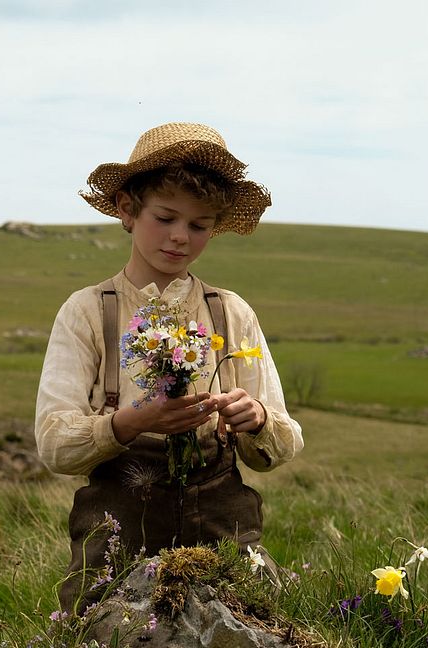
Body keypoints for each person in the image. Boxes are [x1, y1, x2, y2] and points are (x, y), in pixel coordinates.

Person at [34, 122, 304, 614]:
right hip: (118, 529)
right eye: (165, 217)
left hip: (222, 522)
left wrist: (257, 419)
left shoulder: (231, 312)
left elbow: (281, 446)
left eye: (199, 226)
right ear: (127, 210)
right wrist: (128, 423)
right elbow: (54, 445)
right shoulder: (88, 310)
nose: (180, 237)